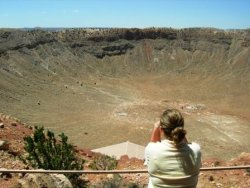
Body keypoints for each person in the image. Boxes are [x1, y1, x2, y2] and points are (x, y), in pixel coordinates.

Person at [144, 108, 201, 188]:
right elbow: (186, 146)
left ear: (162, 130)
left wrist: (156, 127)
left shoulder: (152, 150)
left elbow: (153, 145)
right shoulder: (195, 150)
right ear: (182, 128)